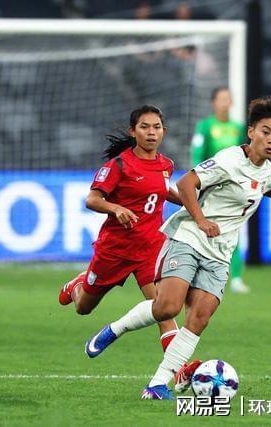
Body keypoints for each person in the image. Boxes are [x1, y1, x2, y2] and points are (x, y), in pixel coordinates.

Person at [85, 96, 271, 400]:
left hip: (220, 253)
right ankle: (115, 329)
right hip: (189, 238)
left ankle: (157, 385)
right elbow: (186, 184)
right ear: (251, 131)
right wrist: (201, 220)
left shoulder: (265, 169)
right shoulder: (229, 160)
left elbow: (268, 186)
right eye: (266, 132)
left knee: (199, 318)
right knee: (168, 307)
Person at [59, 105, 183, 352]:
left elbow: (161, 190)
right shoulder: (119, 165)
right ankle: (77, 285)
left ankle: (177, 368)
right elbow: (92, 199)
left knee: (163, 310)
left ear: (164, 131)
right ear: (133, 131)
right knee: (83, 307)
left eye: (156, 127)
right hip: (116, 249)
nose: (151, 132)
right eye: (144, 127)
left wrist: (190, 202)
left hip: (150, 248)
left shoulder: (166, 165)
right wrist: (116, 208)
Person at [192, 87, 249, 293]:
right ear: (213, 102)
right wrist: (199, 180)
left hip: (232, 187)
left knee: (233, 231)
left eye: (228, 99)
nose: (225, 102)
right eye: (221, 99)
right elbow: (197, 153)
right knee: (201, 230)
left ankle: (236, 278)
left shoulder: (238, 128)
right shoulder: (205, 126)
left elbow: (246, 155)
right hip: (209, 186)